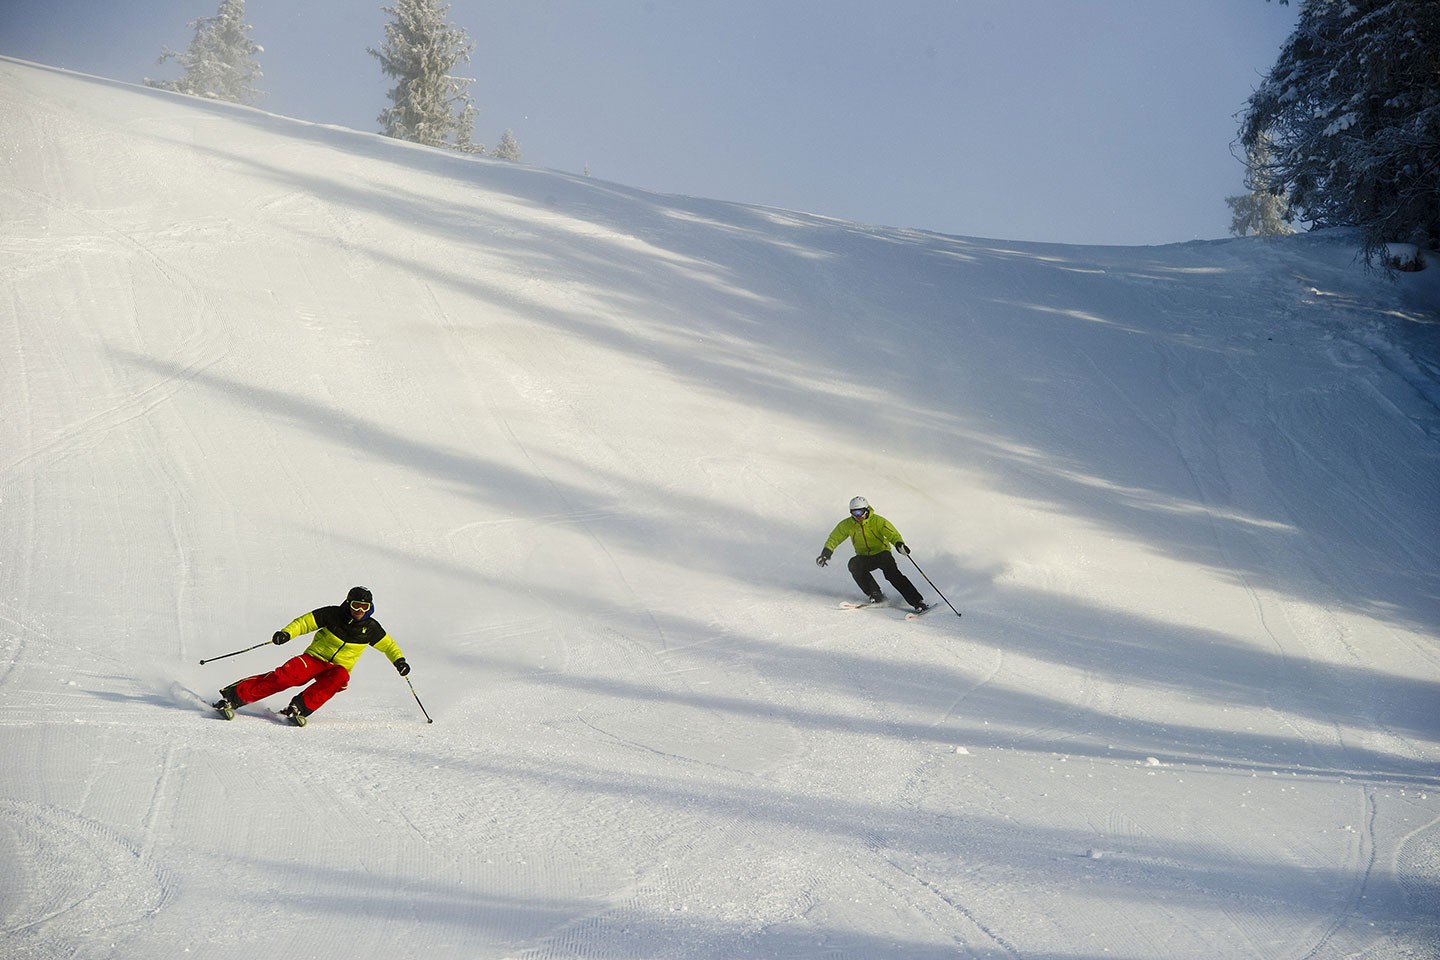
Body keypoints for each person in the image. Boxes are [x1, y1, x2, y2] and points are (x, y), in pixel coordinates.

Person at [214, 586, 409, 726]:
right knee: (285, 677)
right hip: (314, 658)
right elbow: (304, 622)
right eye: (356, 605)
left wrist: (399, 661)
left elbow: (389, 646)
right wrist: (287, 633)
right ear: (348, 603)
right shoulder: (332, 614)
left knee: (341, 678)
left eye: (364, 607)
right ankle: (233, 697)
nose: (359, 611)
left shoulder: (371, 629)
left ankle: (299, 708)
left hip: (337, 668)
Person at [815, 496, 928, 612]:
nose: (858, 516)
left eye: (860, 512)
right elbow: (834, 538)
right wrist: (826, 553)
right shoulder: (847, 524)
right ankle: (875, 594)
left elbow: (892, 534)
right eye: (854, 513)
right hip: (864, 557)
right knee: (854, 564)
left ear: (867, 510)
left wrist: (899, 545)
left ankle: (917, 601)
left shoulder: (878, 521)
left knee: (892, 574)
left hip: (882, 554)